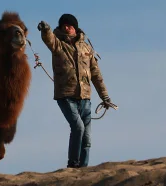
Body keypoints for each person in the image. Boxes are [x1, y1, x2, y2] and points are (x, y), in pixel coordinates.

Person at [37, 14, 113, 168]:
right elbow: (49, 39)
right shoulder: (58, 44)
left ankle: (83, 169)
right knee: (78, 127)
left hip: (85, 97)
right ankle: (73, 165)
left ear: (75, 28)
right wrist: (45, 30)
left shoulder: (86, 48)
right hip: (65, 95)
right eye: (64, 25)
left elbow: (96, 74)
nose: (66, 27)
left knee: (87, 137)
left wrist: (105, 96)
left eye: (69, 25)